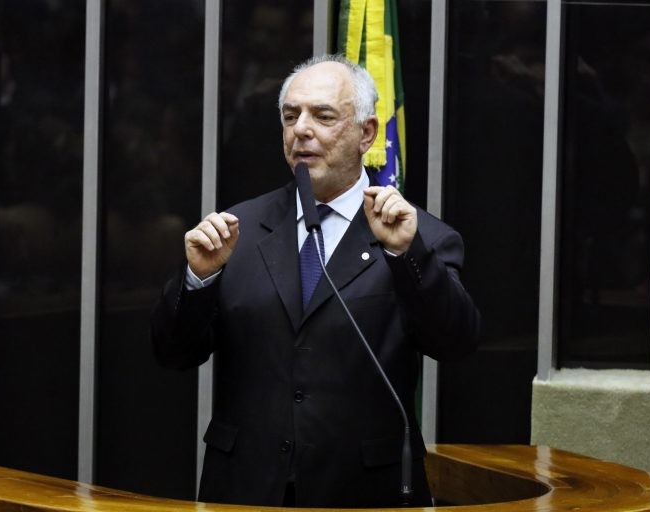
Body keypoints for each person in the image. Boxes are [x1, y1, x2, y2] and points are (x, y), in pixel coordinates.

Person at [151, 54, 480, 508]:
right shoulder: (236, 230)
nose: (301, 129)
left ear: (367, 133)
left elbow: (457, 342)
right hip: (246, 487)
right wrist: (197, 280)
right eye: (291, 116)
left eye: (323, 116)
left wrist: (406, 255)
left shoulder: (419, 237)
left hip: (363, 491)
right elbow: (173, 354)